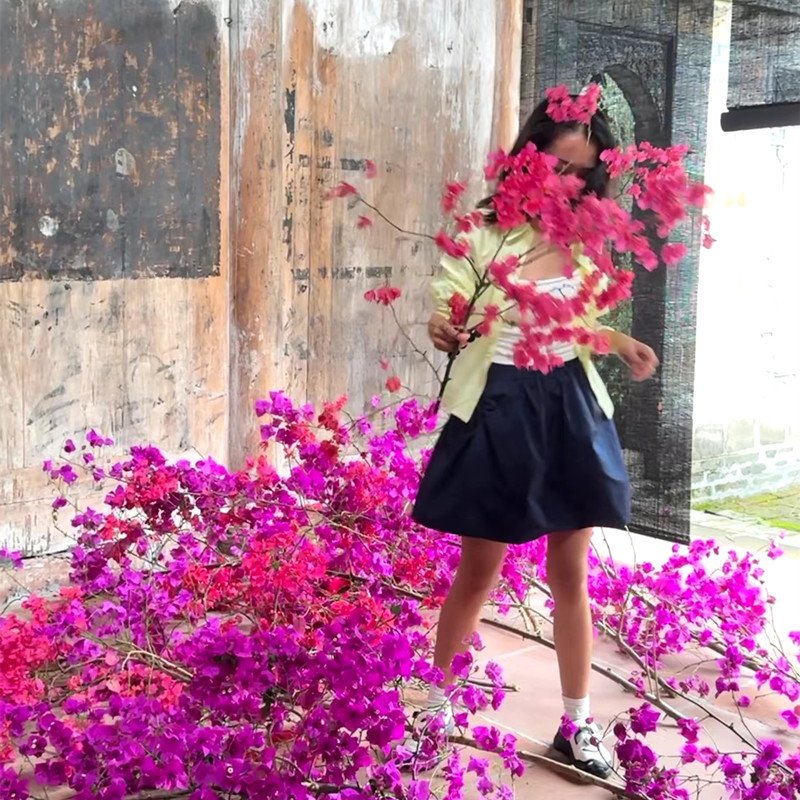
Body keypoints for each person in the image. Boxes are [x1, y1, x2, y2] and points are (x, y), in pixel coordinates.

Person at [410, 97, 659, 778]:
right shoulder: (482, 231)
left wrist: (618, 341)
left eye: (581, 173)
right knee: (479, 570)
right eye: (557, 164)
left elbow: (576, 326)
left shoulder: (587, 240)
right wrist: (443, 325)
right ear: (530, 155)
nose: (566, 182)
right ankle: (437, 708)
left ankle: (577, 725)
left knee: (571, 573)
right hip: (499, 403)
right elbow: (448, 302)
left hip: (570, 407)